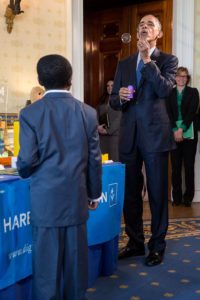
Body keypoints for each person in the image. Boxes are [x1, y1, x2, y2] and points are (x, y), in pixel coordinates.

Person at [17, 54, 102, 300]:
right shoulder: (87, 113)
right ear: (70, 79)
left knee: (46, 270)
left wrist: (24, 171)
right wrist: (94, 193)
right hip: (76, 199)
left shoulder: (30, 114)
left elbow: (26, 161)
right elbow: (94, 160)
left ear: (40, 80)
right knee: (76, 267)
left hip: (45, 203)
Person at [110, 14, 178, 266]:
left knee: (159, 193)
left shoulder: (168, 60)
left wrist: (148, 59)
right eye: (140, 24)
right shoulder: (125, 63)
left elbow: (164, 90)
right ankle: (135, 242)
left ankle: (157, 245)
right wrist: (121, 97)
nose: (144, 27)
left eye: (150, 24)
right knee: (130, 193)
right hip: (129, 135)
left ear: (158, 34)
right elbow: (113, 102)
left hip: (155, 136)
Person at [166, 67, 200, 207]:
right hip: (173, 133)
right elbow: (168, 113)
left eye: (184, 76)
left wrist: (181, 129)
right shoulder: (169, 93)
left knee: (189, 166)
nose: (181, 79)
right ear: (175, 78)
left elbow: (192, 111)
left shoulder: (193, 92)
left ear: (188, 78)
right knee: (175, 167)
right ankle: (177, 197)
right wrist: (175, 130)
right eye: (179, 76)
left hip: (189, 133)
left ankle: (188, 197)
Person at [97, 80, 121, 161]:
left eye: (112, 85)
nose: (110, 87)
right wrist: (98, 127)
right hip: (102, 137)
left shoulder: (120, 100)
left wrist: (108, 131)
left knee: (114, 161)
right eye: (108, 86)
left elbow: (119, 118)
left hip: (114, 137)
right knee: (104, 161)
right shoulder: (102, 100)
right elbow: (97, 115)